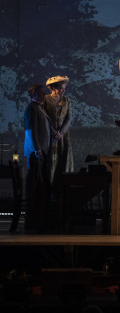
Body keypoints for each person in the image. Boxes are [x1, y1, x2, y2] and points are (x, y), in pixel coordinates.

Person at [24, 84, 51, 231]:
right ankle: (32, 219)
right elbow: (31, 130)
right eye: (41, 92)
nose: (44, 95)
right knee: (34, 185)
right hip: (36, 153)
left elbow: (45, 127)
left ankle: (39, 218)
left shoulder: (40, 108)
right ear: (33, 94)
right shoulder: (32, 108)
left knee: (41, 186)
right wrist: (37, 149)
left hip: (42, 152)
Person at [44, 75, 74, 190]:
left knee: (64, 160)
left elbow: (69, 118)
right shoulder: (46, 100)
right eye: (61, 88)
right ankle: (51, 190)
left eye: (64, 88)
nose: (63, 90)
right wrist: (53, 132)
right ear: (53, 88)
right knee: (52, 162)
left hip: (64, 136)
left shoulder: (67, 100)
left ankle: (64, 190)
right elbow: (45, 117)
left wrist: (61, 132)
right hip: (50, 135)